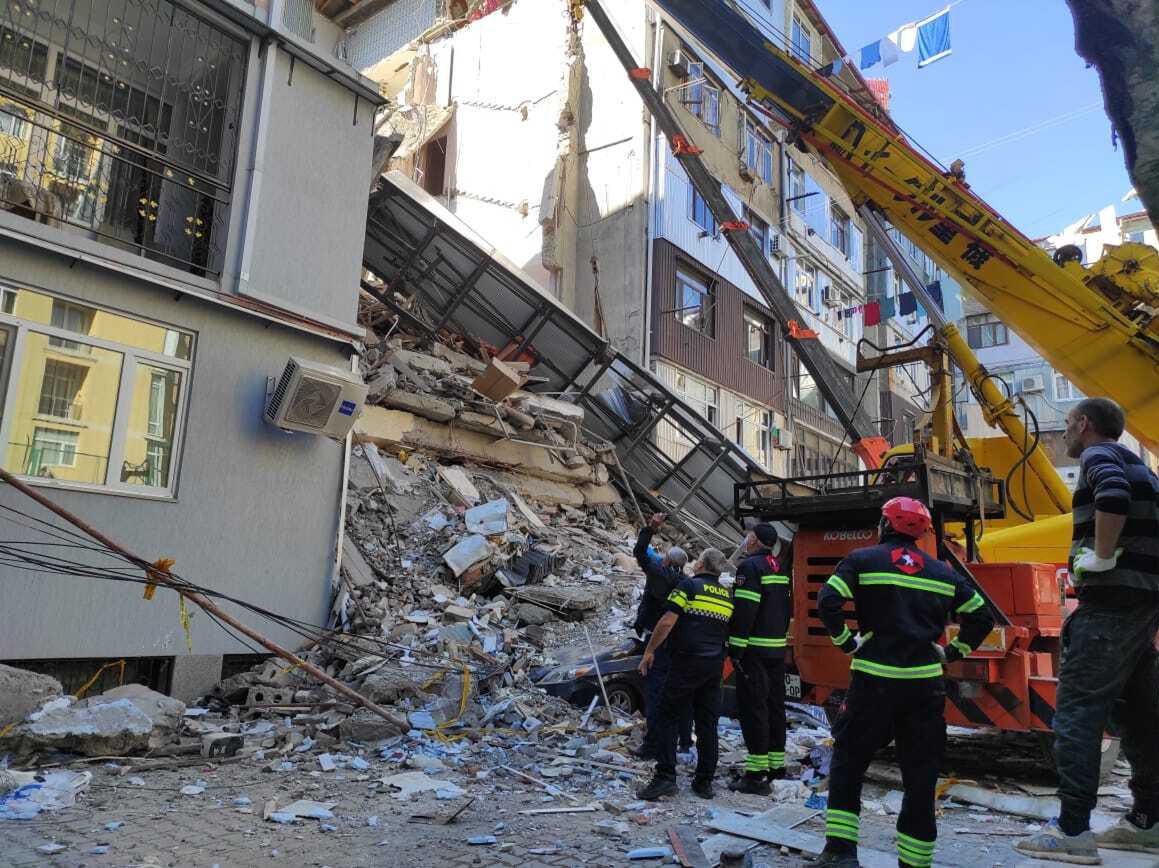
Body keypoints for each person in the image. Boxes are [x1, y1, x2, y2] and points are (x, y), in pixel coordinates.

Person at [1015, 398, 1159, 865]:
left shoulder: (1101, 456)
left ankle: (1072, 829)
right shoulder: (1145, 470)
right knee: (1140, 714)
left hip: (1110, 604)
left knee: (1077, 713)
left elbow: (1111, 497)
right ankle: (1148, 820)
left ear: (1085, 423)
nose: (1065, 434)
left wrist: (1100, 555)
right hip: (1141, 604)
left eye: (1068, 425)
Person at [814, 497, 994, 868]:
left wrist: (847, 643)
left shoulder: (862, 560)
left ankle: (840, 854)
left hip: (872, 682)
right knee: (920, 775)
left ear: (885, 525)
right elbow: (982, 617)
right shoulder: (943, 573)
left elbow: (828, 600)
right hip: (923, 687)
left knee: (849, 761)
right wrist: (952, 652)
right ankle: (915, 862)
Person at [635, 548, 733, 801]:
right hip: (713, 667)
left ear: (700, 565)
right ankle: (704, 783)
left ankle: (665, 777)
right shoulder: (726, 596)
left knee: (667, 716)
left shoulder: (689, 586)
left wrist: (649, 651)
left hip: (687, 661)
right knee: (707, 724)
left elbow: (667, 621)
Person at [728, 522, 791, 795]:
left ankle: (755, 776)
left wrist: (736, 649)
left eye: (748, 536)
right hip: (777, 649)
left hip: (754, 650)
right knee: (775, 708)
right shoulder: (777, 566)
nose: (746, 540)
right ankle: (777, 767)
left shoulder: (750, 568)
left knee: (754, 710)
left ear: (754, 540)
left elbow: (746, 610)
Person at [630, 512, 693, 760]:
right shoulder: (687, 582)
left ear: (666, 561)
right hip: (680, 644)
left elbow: (640, 552)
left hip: (657, 640)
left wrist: (651, 528)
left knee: (655, 693)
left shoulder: (658, 573)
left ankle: (652, 745)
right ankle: (685, 742)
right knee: (681, 694)